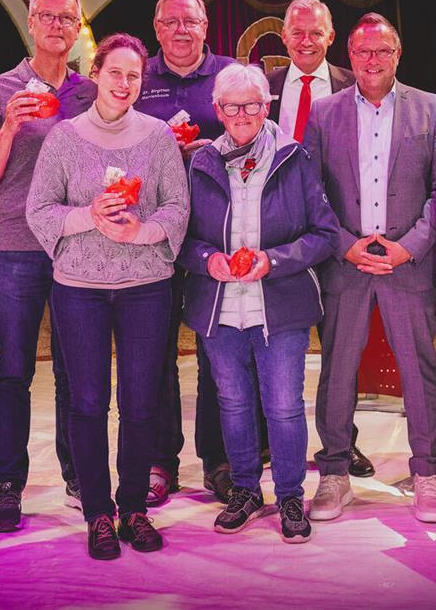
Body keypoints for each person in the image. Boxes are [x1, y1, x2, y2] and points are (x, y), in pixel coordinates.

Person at [27, 33, 189, 559]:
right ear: (95, 73)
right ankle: (99, 512)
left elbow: (177, 209)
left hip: (145, 288)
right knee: (88, 402)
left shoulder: (159, 137)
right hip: (79, 290)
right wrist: (86, 217)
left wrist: (139, 232)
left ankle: (134, 507)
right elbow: (39, 210)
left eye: (134, 75)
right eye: (115, 72)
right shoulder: (64, 138)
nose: (124, 84)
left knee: (141, 404)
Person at [181, 64, 339, 543]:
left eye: (252, 104)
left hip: (281, 306)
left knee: (284, 406)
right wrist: (207, 259)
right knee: (232, 402)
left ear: (266, 105)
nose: (243, 114)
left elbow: (325, 235)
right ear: (218, 111)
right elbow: (182, 237)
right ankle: (246, 489)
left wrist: (273, 259)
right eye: (232, 106)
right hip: (221, 306)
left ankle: (290, 494)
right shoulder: (201, 161)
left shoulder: (294, 158)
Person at [304, 13, 436, 524]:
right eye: (363, 51)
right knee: (337, 370)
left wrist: (410, 246)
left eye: (382, 50)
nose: (372, 60)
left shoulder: (430, 108)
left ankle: (428, 471)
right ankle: (335, 473)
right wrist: (344, 245)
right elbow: (311, 191)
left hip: (408, 262)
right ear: (349, 54)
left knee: (418, 367)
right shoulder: (325, 112)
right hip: (346, 264)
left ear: (398, 53)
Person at [0, 0, 96, 531]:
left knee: (75, 371)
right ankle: (9, 485)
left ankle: (79, 475)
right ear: (30, 22)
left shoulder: (91, 92)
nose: (58, 26)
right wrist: (9, 126)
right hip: (17, 246)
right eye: (48, 16)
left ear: (78, 26)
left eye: (68, 18)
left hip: (75, 244)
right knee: (14, 368)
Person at [135, 0, 236, 507]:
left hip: (213, 234)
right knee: (155, 352)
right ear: (157, 27)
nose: (181, 30)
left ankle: (218, 460)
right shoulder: (138, 77)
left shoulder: (230, 75)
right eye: (171, 21)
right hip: (150, 236)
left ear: (205, 26)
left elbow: (253, 138)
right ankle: (159, 460)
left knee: (215, 348)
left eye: (190, 21)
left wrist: (211, 151)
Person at [266, 0, 373, 478]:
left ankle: (340, 442)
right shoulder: (261, 89)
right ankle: (270, 442)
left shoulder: (357, 87)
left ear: (331, 37)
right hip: (276, 238)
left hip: (338, 235)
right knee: (266, 342)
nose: (305, 41)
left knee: (341, 346)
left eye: (316, 33)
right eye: (296, 32)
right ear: (283, 36)